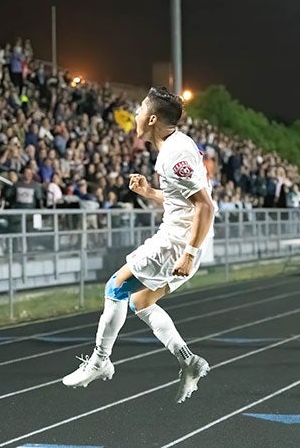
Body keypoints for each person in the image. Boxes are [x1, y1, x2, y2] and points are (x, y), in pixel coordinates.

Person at [62, 87, 216, 404]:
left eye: (140, 109)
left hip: (177, 241)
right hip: (185, 236)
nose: (136, 115)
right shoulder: (175, 148)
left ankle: (100, 361)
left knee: (115, 287)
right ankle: (189, 362)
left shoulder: (175, 155)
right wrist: (150, 194)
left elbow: (206, 206)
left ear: (153, 118)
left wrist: (189, 253)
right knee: (141, 302)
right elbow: (182, 200)